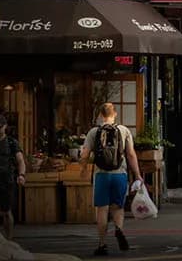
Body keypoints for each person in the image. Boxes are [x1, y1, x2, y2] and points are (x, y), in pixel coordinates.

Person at [78, 101, 141, 257]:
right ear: (115, 114)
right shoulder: (124, 130)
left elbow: (84, 155)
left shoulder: (93, 132)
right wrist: (138, 174)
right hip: (120, 174)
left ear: (100, 115)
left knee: (102, 209)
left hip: (101, 175)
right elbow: (131, 154)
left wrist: (84, 168)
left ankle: (102, 244)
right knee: (118, 207)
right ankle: (118, 229)